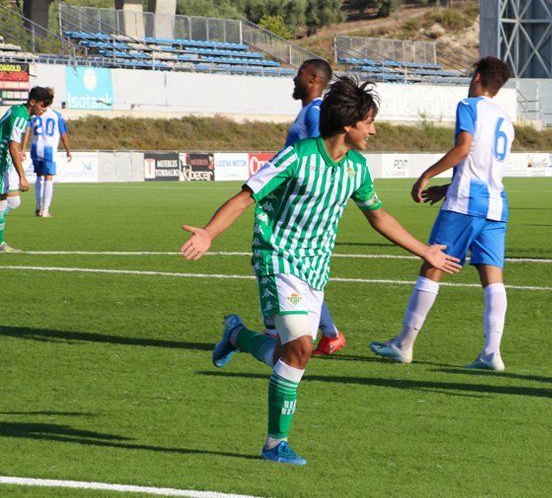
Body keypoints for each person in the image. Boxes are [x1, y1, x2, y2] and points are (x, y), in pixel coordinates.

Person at [180, 76, 461, 466]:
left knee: (288, 353)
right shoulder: (297, 156)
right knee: (301, 349)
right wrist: (210, 233)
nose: (374, 130)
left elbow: (379, 217)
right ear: (348, 124)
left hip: (315, 268)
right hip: (277, 258)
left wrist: (425, 251)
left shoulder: (357, 168)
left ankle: (237, 335)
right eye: (369, 123)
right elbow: (247, 198)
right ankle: (275, 444)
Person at [369, 57, 514, 371]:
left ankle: (403, 344)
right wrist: (446, 188)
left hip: (465, 203)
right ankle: (492, 353)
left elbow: (464, 149)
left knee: (432, 264)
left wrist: (427, 176)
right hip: (496, 203)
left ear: (476, 78)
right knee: (492, 278)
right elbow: (484, 168)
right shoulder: (506, 119)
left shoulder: (469, 105)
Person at [283, 58, 345, 356]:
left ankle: (280, 330)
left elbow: (322, 153)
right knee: (299, 272)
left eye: (299, 74)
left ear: (313, 78)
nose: (294, 79)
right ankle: (330, 333)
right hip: (289, 202)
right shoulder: (308, 111)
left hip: (301, 207)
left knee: (285, 266)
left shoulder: (316, 111)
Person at [0, 87, 52, 252]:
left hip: (5, 161)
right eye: (43, 106)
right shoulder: (21, 116)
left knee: (13, 201)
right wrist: (22, 176)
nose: (44, 110)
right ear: (32, 102)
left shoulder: (20, 111)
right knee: (2, 201)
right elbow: (13, 146)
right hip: (1, 160)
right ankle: (1, 245)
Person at [29, 99, 72, 218]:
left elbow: (27, 130)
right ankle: (45, 210)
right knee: (48, 179)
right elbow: (63, 134)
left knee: (38, 177)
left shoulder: (34, 114)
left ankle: (38, 206)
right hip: (49, 150)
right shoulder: (56, 115)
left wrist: (22, 149)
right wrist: (68, 150)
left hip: (35, 148)